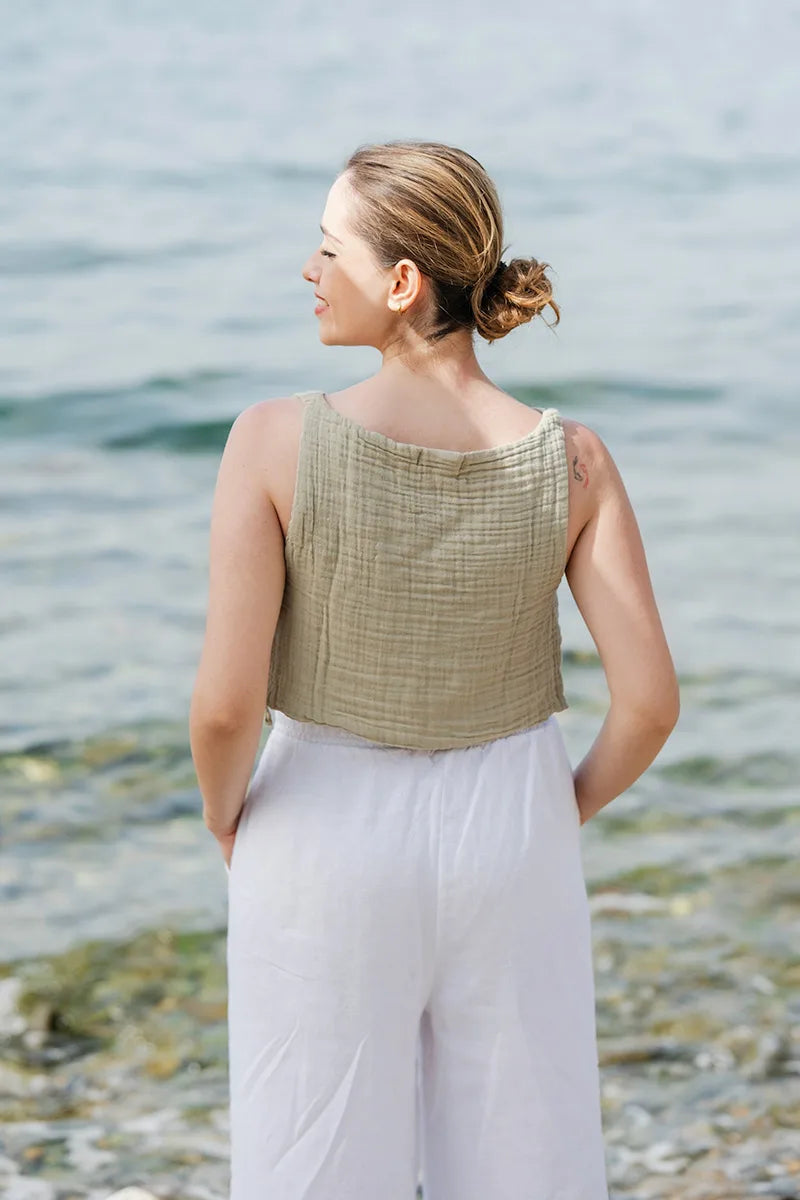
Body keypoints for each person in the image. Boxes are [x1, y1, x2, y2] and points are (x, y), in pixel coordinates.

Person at [189, 139, 680, 1200]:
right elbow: (647, 704)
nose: (309, 269)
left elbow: (226, 706)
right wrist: (557, 809)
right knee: (526, 1159)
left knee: (311, 1158)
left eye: (329, 248)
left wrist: (225, 815)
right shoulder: (572, 458)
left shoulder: (272, 441)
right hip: (510, 821)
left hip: (319, 819)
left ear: (400, 283)